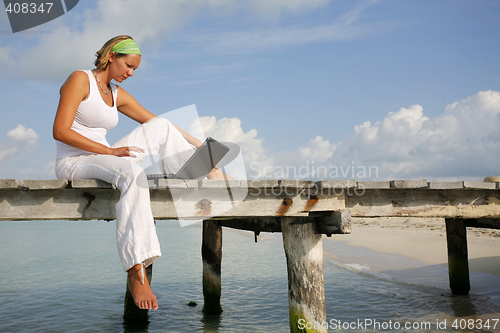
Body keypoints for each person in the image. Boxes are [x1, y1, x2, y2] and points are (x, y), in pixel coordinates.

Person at [53, 35, 232, 311]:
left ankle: (205, 173)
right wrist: (111, 153)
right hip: (75, 161)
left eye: (134, 69)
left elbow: (158, 123)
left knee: (161, 126)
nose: (130, 73)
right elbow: (60, 131)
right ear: (111, 55)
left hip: (105, 156)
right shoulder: (80, 79)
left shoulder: (115, 93)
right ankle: (136, 271)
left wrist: (199, 146)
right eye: (128, 65)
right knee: (133, 172)